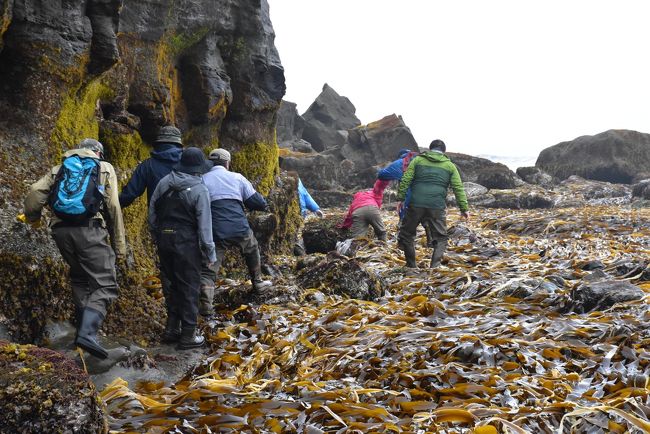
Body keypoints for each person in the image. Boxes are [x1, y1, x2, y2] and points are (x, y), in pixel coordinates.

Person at [22, 138, 126, 359]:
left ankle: (82, 331)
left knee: (79, 278)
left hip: (61, 232)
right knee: (105, 284)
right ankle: (88, 334)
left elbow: (34, 192)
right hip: (88, 230)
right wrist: (120, 247)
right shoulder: (103, 167)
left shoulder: (61, 167)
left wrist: (33, 218)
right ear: (99, 153)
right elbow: (113, 207)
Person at [148, 147, 216, 349]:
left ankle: (171, 329)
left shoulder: (164, 182)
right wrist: (209, 252)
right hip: (186, 242)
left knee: (172, 284)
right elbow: (205, 225)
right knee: (189, 286)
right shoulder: (199, 189)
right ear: (198, 168)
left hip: (164, 238)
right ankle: (188, 334)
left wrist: (156, 235)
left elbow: (152, 212)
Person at [200, 148, 272, 307]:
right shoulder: (237, 178)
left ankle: (206, 305)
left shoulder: (202, 179)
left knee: (209, 268)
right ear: (228, 163)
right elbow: (258, 202)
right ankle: (258, 282)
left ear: (210, 163)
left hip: (215, 230)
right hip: (239, 227)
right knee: (252, 248)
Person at [397, 139, 469, 268]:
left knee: (407, 234)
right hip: (436, 206)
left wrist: (401, 198)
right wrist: (464, 208)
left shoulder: (418, 160)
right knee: (441, 238)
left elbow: (406, 179)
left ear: (429, 149)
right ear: (443, 151)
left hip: (416, 204)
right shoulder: (449, 166)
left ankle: (412, 266)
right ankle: (434, 267)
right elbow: (458, 188)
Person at [119, 125, 183, 208]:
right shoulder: (189, 163)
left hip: (159, 218)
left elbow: (130, 194)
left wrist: (110, 207)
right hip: (188, 218)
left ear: (157, 144)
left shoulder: (147, 165)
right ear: (179, 144)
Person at [377, 148, 419, 219]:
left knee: (405, 222)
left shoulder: (400, 163)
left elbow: (382, 175)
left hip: (408, 198)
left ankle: (403, 224)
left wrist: (379, 169)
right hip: (428, 198)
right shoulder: (420, 161)